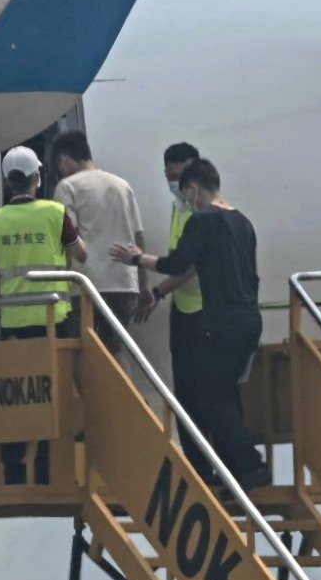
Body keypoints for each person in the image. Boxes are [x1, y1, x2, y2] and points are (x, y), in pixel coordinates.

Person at [111, 159, 272, 489]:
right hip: (248, 320)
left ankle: (251, 468)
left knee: (210, 396)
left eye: (187, 195)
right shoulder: (243, 222)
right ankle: (236, 470)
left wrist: (136, 258)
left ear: (195, 188)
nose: (187, 203)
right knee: (224, 393)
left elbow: (177, 263)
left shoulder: (203, 222)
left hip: (222, 322)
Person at [0, 145, 89, 487]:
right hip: (53, 319)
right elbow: (82, 254)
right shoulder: (56, 212)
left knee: (16, 397)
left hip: (13, 322)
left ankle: (13, 469)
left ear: (7, 182)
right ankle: (44, 469)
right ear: (38, 178)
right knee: (50, 396)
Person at [49, 130, 146, 352]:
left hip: (88, 285)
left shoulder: (67, 187)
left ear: (63, 159)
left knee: (85, 354)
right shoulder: (122, 185)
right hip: (124, 285)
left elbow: (68, 238)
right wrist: (144, 284)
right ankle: (121, 387)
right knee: (115, 352)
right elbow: (139, 237)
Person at [149, 141, 206, 462]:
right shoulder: (180, 208)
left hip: (205, 311)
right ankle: (196, 460)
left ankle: (208, 464)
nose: (176, 184)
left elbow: (190, 265)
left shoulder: (205, 211)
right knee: (183, 392)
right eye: (170, 177)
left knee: (202, 394)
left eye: (180, 177)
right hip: (184, 310)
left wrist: (157, 291)